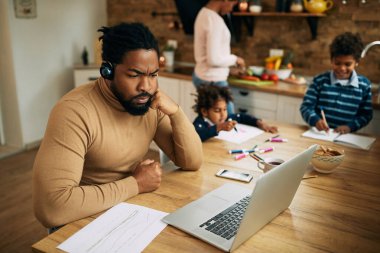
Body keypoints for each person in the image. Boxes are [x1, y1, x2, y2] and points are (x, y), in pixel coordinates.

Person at [32, 22, 203, 229]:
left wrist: (176, 112)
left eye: (153, 75)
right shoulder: (74, 112)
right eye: (134, 75)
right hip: (80, 222)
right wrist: (136, 184)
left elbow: (192, 161)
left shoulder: (150, 104)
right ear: (107, 71)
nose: (146, 87)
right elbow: (51, 208)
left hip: (129, 210)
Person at [300, 32, 373, 134]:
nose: (342, 68)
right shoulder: (319, 81)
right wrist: (315, 120)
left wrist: (350, 127)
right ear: (331, 60)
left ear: (357, 62)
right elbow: (306, 107)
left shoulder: (364, 85)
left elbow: (366, 115)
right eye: (337, 63)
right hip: (318, 134)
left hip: (346, 137)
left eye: (347, 64)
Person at [192, 0, 245, 114]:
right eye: (232, 4)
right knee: (229, 122)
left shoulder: (203, 13)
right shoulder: (214, 21)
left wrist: (228, 70)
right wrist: (236, 59)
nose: (231, 9)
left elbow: (210, 56)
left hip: (203, 76)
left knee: (210, 123)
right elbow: (213, 59)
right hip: (214, 82)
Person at [193, 84, 278, 142]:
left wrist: (260, 123)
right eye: (217, 110)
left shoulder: (225, 118)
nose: (223, 114)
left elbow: (241, 117)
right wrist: (219, 127)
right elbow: (198, 136)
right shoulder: (199, 123)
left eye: (225, 109)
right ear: (204, 111)